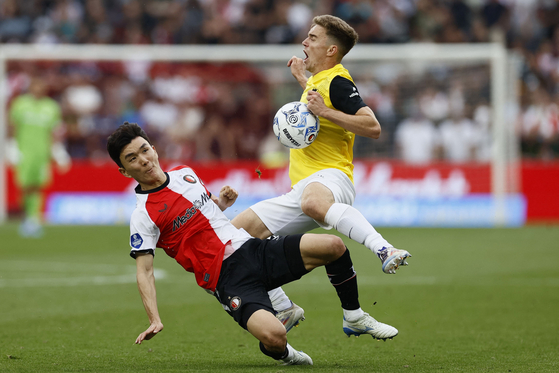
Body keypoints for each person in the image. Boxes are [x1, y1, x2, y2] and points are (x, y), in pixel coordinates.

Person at [106, 122, 399, 365]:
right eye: (132, 158)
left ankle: (354, 316)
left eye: (144, 150)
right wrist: (154, 318)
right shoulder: (142, 215)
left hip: (253, 249)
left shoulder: (185, 174)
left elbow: (204, 215)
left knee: (333, 246)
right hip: (227, 278)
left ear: (154, 149)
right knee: (274, 337)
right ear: (124, 170)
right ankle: (284, 354)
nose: (143, 159)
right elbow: (144, 271)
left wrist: (222, 202)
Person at [231, 15, 412, 327]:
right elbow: (319, 105)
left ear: (331, 50)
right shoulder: (318, 82)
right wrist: (303, 81)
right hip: (302, 186)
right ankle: (283, 307)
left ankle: (383, 249)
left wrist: (324, 109)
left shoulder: (340, 82)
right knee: (234, 238)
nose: (305, 41)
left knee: (313, 202)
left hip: (332, 177)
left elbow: (373, 127)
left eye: (313, 38)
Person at [7, 76, 71, 237]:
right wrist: (12, 146)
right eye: (36, 86)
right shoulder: (20, 104)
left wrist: (58, 151)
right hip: (24, 151)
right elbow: (12, 125)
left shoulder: (51, 107)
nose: (38, 89)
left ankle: (33, 219)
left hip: (42, 153)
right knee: (24, 185)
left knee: (38, 185)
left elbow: (55, 131)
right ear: (31, 87)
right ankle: (27, 216)